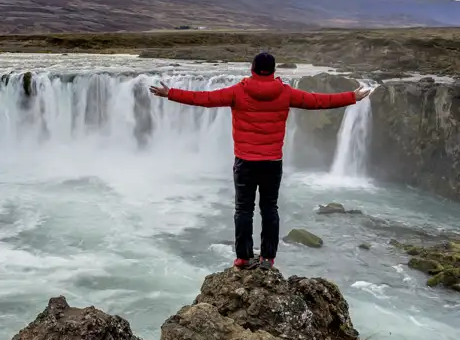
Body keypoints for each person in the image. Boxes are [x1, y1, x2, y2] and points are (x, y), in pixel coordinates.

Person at [149, 52, 371, 271]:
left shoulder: (238, 91)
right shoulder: (286, 93)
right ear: (274, 71)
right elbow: (318, 101)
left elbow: (205, 99)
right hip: (272, 162)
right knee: (270, 209)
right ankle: (267, 258)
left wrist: (170, 94)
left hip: (245, 161)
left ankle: (244, 258)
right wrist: (353, 96)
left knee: (244, 210)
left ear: (252, 69)